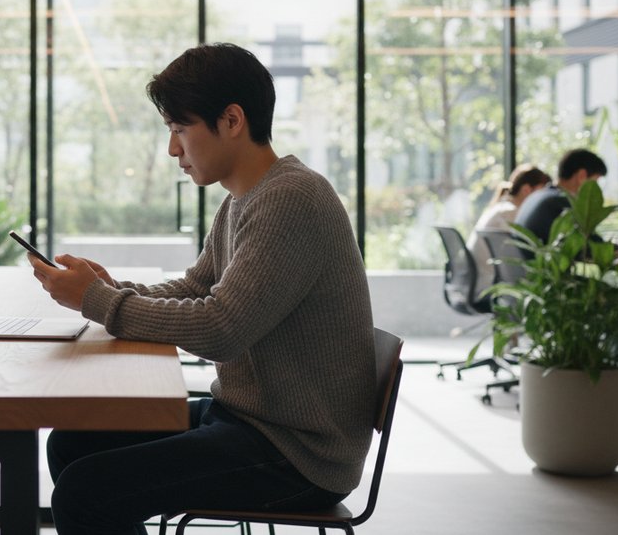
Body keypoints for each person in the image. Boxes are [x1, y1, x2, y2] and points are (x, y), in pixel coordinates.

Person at [25, 43, 376, 535]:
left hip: (297, 450)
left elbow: (222, 329)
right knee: (71, 443)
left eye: (178, 129)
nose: (172, 150)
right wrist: (109, 288)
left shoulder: (291, 199)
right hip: (250, 418)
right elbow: (196, 288)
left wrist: (99, 301)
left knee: (88, 492)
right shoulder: (244, 200)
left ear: (232, 120)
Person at [511, 148, 618, 406]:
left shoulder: (541, 197)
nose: (595, 190)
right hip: (559, 292)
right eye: (595, 182)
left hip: (540, 289)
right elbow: (592, 249)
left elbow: (580, 247)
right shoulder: (560, 203)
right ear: (582, 176)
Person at [465, 164, 551, 293]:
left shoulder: (501, 208)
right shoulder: (510, 214)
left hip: (480, 282)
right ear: (527, 189)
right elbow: (520, 259)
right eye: (540, 194)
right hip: (491, 285)